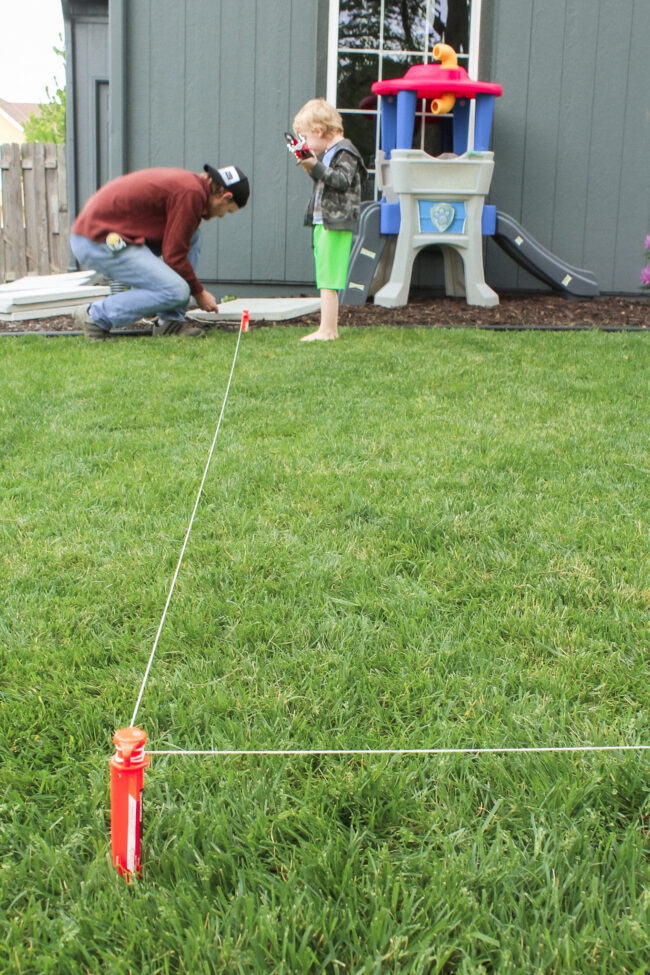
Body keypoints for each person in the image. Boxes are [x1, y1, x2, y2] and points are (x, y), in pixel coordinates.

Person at [69, 164, 250, 339]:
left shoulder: (191, 187)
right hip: (96, 239)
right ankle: (95, 316)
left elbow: (176, 246)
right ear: (224, 196)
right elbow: (174, 256)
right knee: (176, 291)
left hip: (111, 235)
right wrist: (199, 293)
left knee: (192, 236)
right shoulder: (191, 193)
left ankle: (170, 322)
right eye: (228, 210)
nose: (221, 215)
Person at [292, 99, 366, 342]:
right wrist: (313, 168)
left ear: (318, 131)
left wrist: (316, 166)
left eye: (305, 137)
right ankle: (327, 328)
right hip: (323, 221)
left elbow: (342, 181)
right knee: (325, 276)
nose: (305, 143)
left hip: (336, 221)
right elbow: (327, 182)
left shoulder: (346, 151)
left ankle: (328, 330)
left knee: (329, 278)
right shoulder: (330, 154)